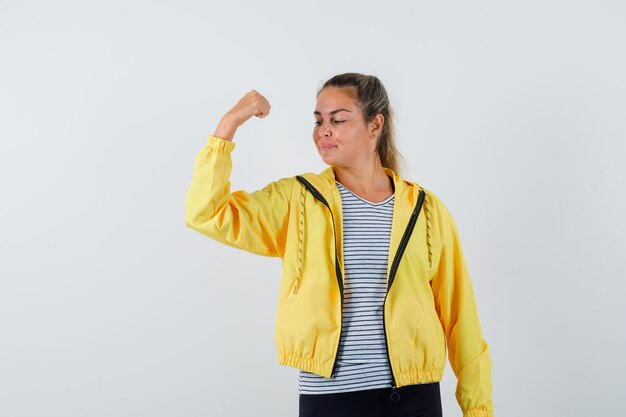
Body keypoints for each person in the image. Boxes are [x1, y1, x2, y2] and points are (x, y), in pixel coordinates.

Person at [184, 73, 495, 417]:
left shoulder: (425, 210)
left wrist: (478, 409)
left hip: (414, 399)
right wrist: (229, 124)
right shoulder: (298, 200)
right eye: (318, 121)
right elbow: (205, 212)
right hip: (331, 399)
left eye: (338, 120)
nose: (323, 131)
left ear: (375, 125)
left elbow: (460, 318)